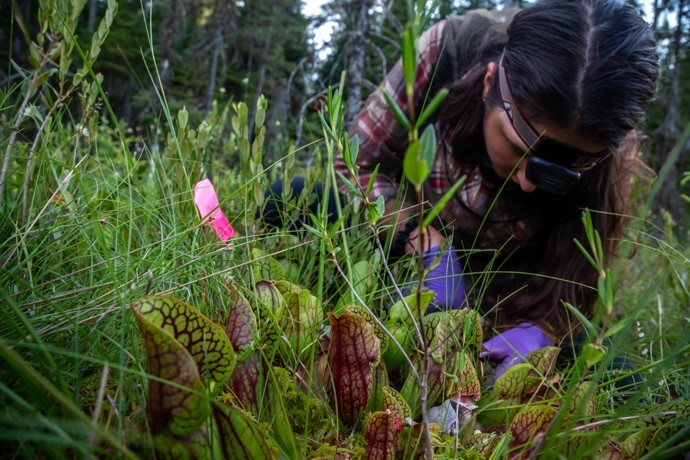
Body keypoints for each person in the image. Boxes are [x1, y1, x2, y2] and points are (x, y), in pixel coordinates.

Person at [335, 0, 659, 383]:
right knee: (298, 196)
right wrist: (420, 239)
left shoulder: (605, 139)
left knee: (623, 375)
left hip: (512, 292)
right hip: (407, 258)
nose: (527, 182)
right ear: (490, 83)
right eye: (518, 147)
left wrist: (544, 330)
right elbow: (354, 165)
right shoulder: (449, 51)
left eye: (564, 171)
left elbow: (579, 280)